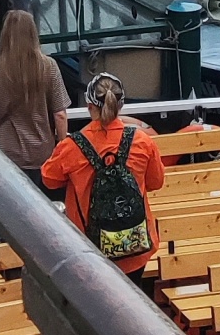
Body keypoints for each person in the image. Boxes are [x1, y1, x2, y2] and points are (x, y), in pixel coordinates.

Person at [39, 72, 166, 278]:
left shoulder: (72, 147)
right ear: (121, 105)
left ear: (90, 106)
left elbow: (49, 179)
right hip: (136, 246)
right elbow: (156, 182)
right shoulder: (142, 141)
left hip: (91, 250)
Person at [0, 9, 71, 171]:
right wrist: (62, 151)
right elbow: (60, 114)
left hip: (8, 152)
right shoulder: (49, 66)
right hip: (43, 152)